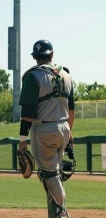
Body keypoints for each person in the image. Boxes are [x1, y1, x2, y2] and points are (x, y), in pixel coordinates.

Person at [18, 39, 75, 218]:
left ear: (35, 57)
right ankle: (55, 214)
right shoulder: (66, 75)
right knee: (53, 172)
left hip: (44, 130)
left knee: (48, 174)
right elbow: (71, 108)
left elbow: (27, 112)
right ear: (51, 55)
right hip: (64, 127)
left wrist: (22, 141)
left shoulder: (33, 76)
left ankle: (61, 213)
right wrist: (69, 132)